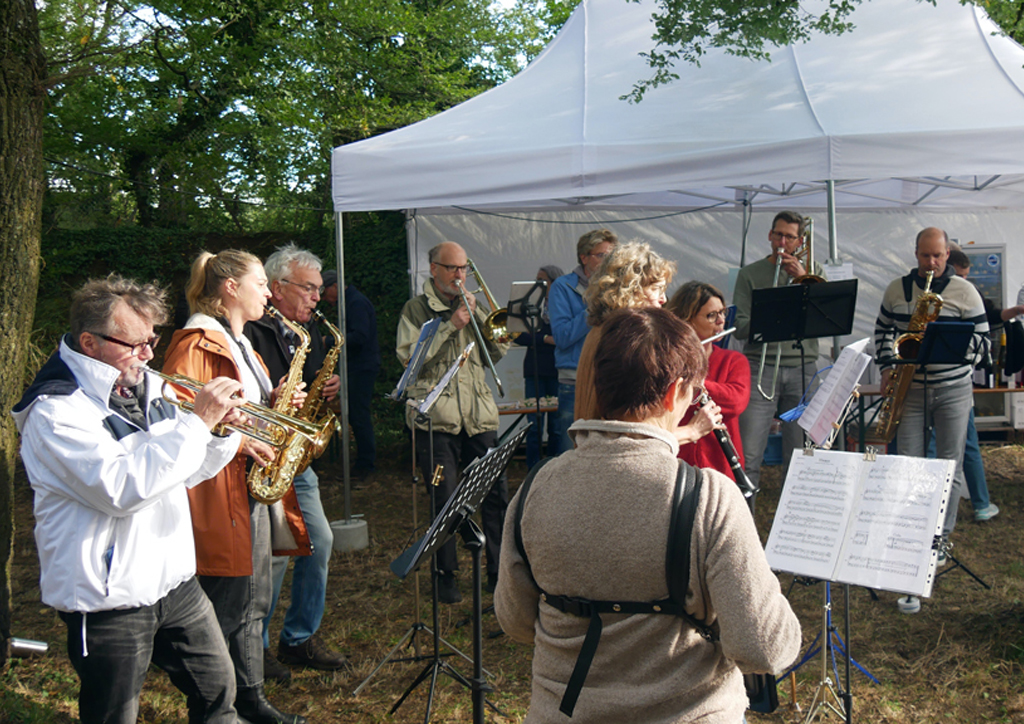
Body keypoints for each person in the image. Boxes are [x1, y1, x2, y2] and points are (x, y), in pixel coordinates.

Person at [495, 307, 801, 723]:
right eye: (693, 392)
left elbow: (514, 621)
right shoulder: (710, 497)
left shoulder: (535, 488)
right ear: (674, 393)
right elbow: (764, 648)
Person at [12, 275, 245, 724]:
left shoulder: (146, 383)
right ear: (89, 342)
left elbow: (183, 471)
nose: (149, 355)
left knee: (219, 696)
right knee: (113, 716)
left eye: (151, 341)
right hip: (108, 600)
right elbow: (122, 489)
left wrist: (219, 433)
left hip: (175, 583)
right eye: (135, 344)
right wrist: (196, 425)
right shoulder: (55, 411)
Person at [164, 250, 310, 724]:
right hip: (220, 488)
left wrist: (276, 398)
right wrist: (239, 438)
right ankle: (233, 703)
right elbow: (176, 417)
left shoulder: (239, 341)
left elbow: (238, 406)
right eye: (261, 284)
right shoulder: (196, 342)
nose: (269, 293)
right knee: (234, 603)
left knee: (253, 599)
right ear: (230, 288)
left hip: (245, 483)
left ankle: (244, 697)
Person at [243, 245, 349, 677]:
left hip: (296, 459)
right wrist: (274, 395)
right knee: (275, 556)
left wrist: (330, 390)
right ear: (277, 287)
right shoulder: (251, 329)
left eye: (319, 289)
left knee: (319, 541)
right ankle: (257, 647)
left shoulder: (311, 333)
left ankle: (299, 638)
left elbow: (312, 384)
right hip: (263, 456)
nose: (316, 297)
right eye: (308, 289)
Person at [396, 241, 511, 603]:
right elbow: (409, 360)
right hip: (437, 419)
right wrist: (449, 325)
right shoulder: (416, 309)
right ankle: (446, 574)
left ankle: (499, 572)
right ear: (433, 269)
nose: (459, 276)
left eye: (464, 269)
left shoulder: (471, 304)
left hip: (478, 416)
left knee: (496, 496)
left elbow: (499, 349)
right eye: (452, 269)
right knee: (444, 499)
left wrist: (476, 318)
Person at [874, 228, 990, 565]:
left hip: (953, 389)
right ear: (916, 254)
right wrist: (885, 368)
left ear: (947, 254)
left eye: (938, 256)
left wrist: (945, 339)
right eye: (925, 256)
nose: (932, 263)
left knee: (948, 466)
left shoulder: (966, 292)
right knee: (909, 465)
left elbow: (983, 346)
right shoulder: (897, 289)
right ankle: (911, 534)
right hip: (910, 388)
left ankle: (940, 537)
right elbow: (882, 332)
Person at [734, 211, 825, 491]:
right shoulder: (750, 274)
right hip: (761, 367)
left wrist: (802, 278)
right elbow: (739, 326)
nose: (782, 242)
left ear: (800, 241)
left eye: (789, 236)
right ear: (770, 235)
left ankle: (795, 522)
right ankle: (743, 521)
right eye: (778, 234)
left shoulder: (814, 273)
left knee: (800, 453)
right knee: (749, 453)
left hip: (802, 367)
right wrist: (772, 316)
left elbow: (824, 319)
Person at [667, 281, 751, 481]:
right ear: (687, 320)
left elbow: (736, 401)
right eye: (711, 315)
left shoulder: (733, 360)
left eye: (723, 313)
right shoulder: (668, 362)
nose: (721, 321)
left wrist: (695, 383)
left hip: (720, 466)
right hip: (677, 463)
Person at [548, 228, 618, 452]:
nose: (608, 261)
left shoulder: (617, 286)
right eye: (601, 255)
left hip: (610, 378)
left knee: (607, 449)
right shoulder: (562, 286)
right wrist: (594, 305)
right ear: (584, 257)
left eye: (611, 256)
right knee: (570, 450)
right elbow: (562, 337)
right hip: (574, 382)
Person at [323, 269, 381, 479]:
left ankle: (366, 464)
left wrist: (328, 342)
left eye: (325, 292)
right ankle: (364, 462)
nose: (323, 298)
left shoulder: (355, 303)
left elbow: (360, 336)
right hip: (357, 365)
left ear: (336, 287)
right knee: (356, 414)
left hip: (362, 366)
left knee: (359, 414)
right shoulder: (351, 301)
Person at [513, 264, 564, 468]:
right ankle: (533, 469)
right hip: (534, 370)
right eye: (537, 281)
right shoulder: (530, 304)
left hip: (556, 369)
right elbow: (518, 335)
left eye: (543, 281)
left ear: (554, 282)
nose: (538, 285)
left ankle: (554, 468)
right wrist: (544, 338)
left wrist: (546, 338)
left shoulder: (562, 304)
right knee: (534, 425)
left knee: (556, 426)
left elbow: (564, 335)